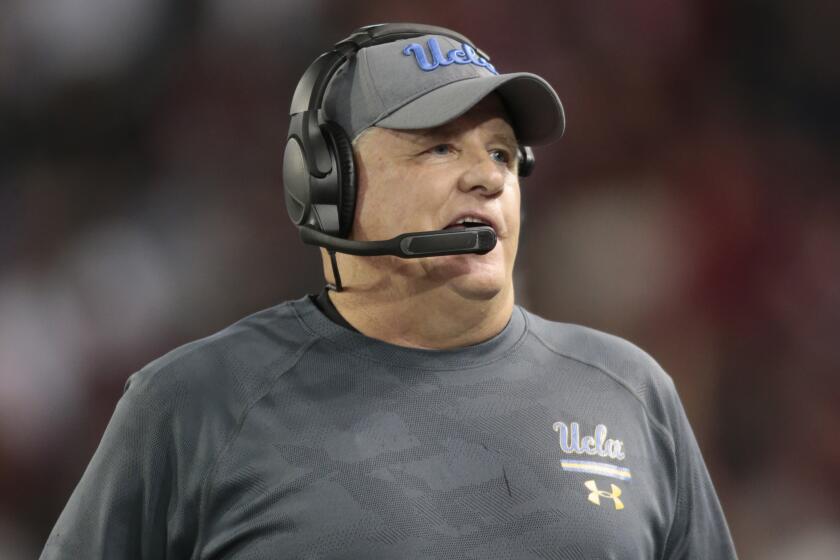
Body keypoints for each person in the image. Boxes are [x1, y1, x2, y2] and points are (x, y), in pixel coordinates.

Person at [41, 23, 738, 559]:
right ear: (327, 183)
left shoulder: (630, 393)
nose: (488, 178)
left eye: (501, 152)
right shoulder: (194, 406)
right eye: (439, 147)